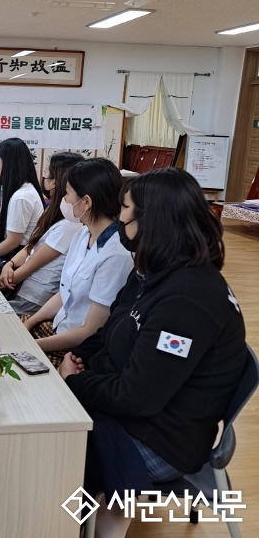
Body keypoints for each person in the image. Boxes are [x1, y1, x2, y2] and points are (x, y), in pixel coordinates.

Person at [59, 167, 247, 538]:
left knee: (52, 454)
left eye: (126, 208)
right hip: (137, 409)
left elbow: (136, 397)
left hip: (161, 439)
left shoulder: (188, 299)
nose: (121, 216)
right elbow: (111, 329)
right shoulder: (154, 272)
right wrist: (79, 359)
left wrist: (76, 381)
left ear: (151, 221)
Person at [22, 158, 133, 364]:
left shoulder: (116, 255)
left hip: (74, 350)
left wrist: (31, 346)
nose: (64, 199)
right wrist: (31, 323)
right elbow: (66, 292)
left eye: (67, 193)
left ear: (86, 202)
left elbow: (90, 330)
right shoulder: (83, 234)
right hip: (56, 328)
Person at [0, 152, 84, 315]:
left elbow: (33, 264)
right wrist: (9, 265)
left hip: (34, 298)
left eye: (46, 172)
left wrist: (8, 278)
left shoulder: (71, 224)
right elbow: (31, 245)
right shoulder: (52, 210)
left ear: (54, 183)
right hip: (23, 287)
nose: (42, 177)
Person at [0, 138, 44, 262]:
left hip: (16, 257)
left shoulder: (22, 197)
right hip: (10, 252)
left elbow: (12, 242)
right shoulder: (18, 191)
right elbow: (2, 227)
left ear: (8, 163)